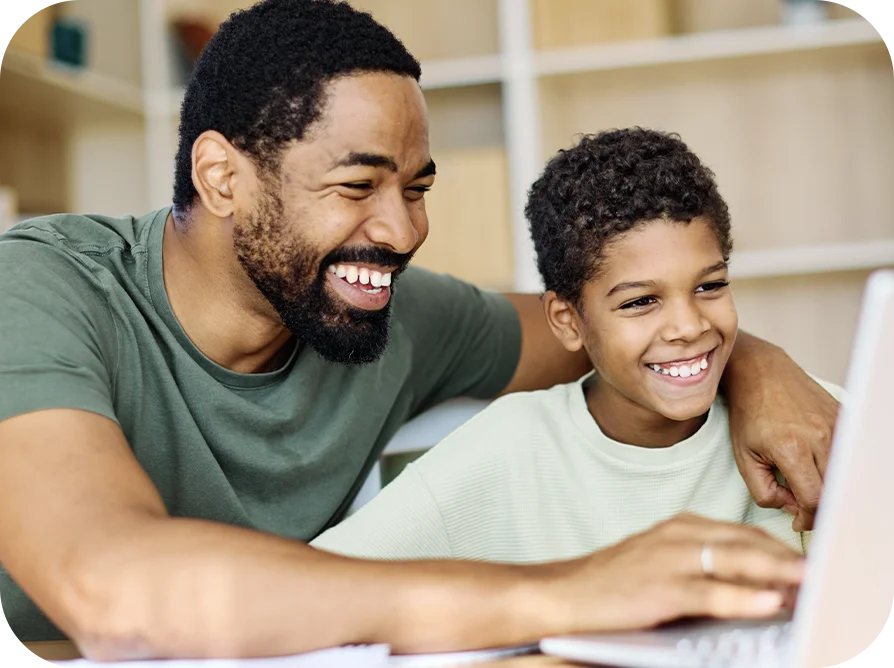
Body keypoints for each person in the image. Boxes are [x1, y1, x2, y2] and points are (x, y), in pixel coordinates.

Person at [0, 0, 836, 661]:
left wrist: (758, 368)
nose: (401, 234)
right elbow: (114, 595)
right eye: (358, 185)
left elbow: (611, 327)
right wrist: (571, 592)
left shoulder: (380, 309)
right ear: (222, 176)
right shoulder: (37, 292)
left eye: (416, 187)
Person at [312, 127, 844, 565]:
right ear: (568, 321)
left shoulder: (811, 423)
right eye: (639, 302)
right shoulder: (507, 449)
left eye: (709, 286)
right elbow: (326, 584)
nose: (687, 325)